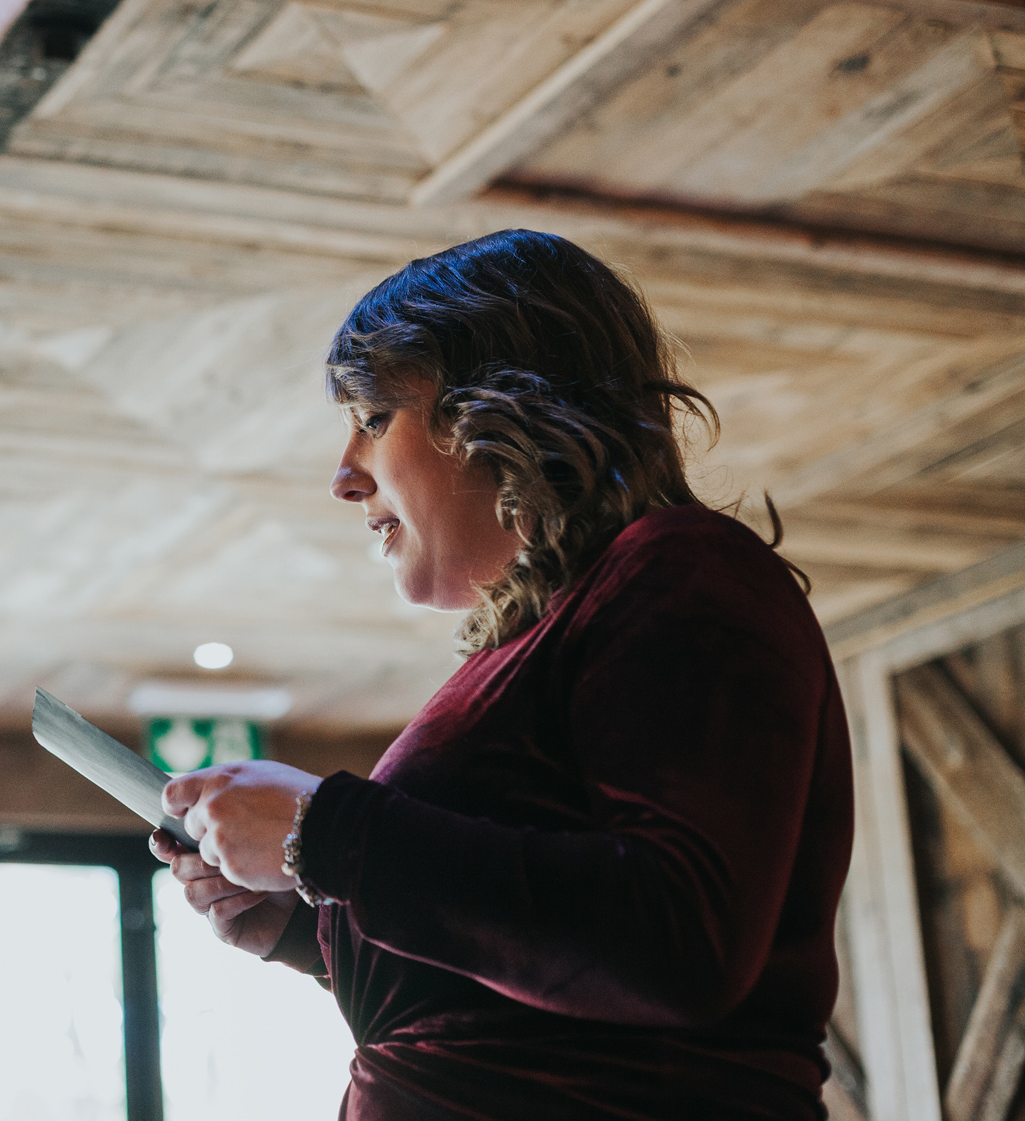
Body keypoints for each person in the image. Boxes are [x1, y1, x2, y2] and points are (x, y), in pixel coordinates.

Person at [151, 229, 853, 1120]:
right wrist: (313, 931)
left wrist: (325, 834)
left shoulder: (684, 570)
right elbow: (526, 1002)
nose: (343, 478)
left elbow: (678, 945)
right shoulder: (553, 633)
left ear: (498, 409)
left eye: (373, 420)